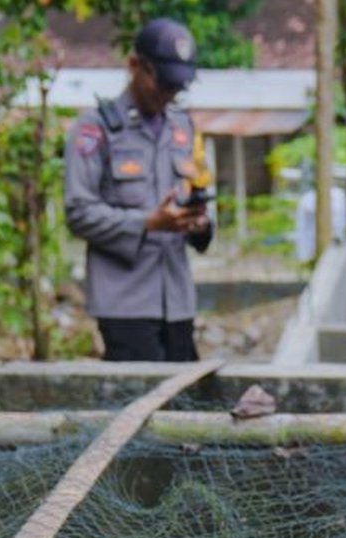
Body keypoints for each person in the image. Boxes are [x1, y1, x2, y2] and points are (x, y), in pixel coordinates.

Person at [64, 17, 213, 362]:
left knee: (183, 405)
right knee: (139, 403)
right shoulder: (96, 129)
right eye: (162, 85)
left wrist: (199, 221)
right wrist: (148, 222)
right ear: (135, 66)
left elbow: (199, 187)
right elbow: (78, 211)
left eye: (177, 88)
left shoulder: (183, 128)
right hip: (125, 303)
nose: (169, 95)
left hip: (177, 301)